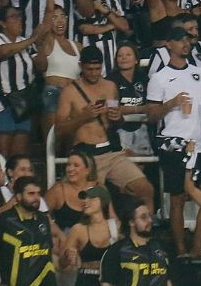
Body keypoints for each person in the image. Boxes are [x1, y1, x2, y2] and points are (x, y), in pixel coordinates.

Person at [147, 26, 201, 258]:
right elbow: (151, 115)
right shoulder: (159, 78)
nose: (185, 44)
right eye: (180, 40)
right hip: (174, 143)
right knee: (178, 198)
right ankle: (181, 250)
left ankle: (198, 245)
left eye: (188, 40)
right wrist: (171, 103)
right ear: (169, 44)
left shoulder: (200, 73)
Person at [53, 46, 155, 209]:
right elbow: (59, 129)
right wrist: (83, 117)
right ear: (81, 66)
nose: (94, 73)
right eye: (89, 69)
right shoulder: (69, 92)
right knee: (96, 199)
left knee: (146, 189)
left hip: (111, 152)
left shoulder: (110, 86)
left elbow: (117, 121)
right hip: (87, 155)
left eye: (97, 69)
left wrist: (117, 117)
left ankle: (145, 225)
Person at [0, 6, 49, 156]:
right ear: (2, 23)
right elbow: (3, 52)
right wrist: (33, 38)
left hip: (23, 102)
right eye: (14, 17)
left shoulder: (24, 41)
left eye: (20, 16)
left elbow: (42, 66)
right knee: (2, 153)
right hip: (0, 102)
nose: (19, 20)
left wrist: (40, 44)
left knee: (20, 153)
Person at [99, 200, 180, 286]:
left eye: (149, 216)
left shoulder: (160, 248)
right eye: (143, 217)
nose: (149, 221)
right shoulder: (118, 251)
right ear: (131, 222)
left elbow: (167, 283)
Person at [61, 185, 117, 286]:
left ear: (102, 201)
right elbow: (62, 264)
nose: (86, 201)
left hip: (111, 285)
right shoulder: (78, 229)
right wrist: (68, 257)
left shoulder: (115, 228)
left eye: (91, 198)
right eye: (84, 198)